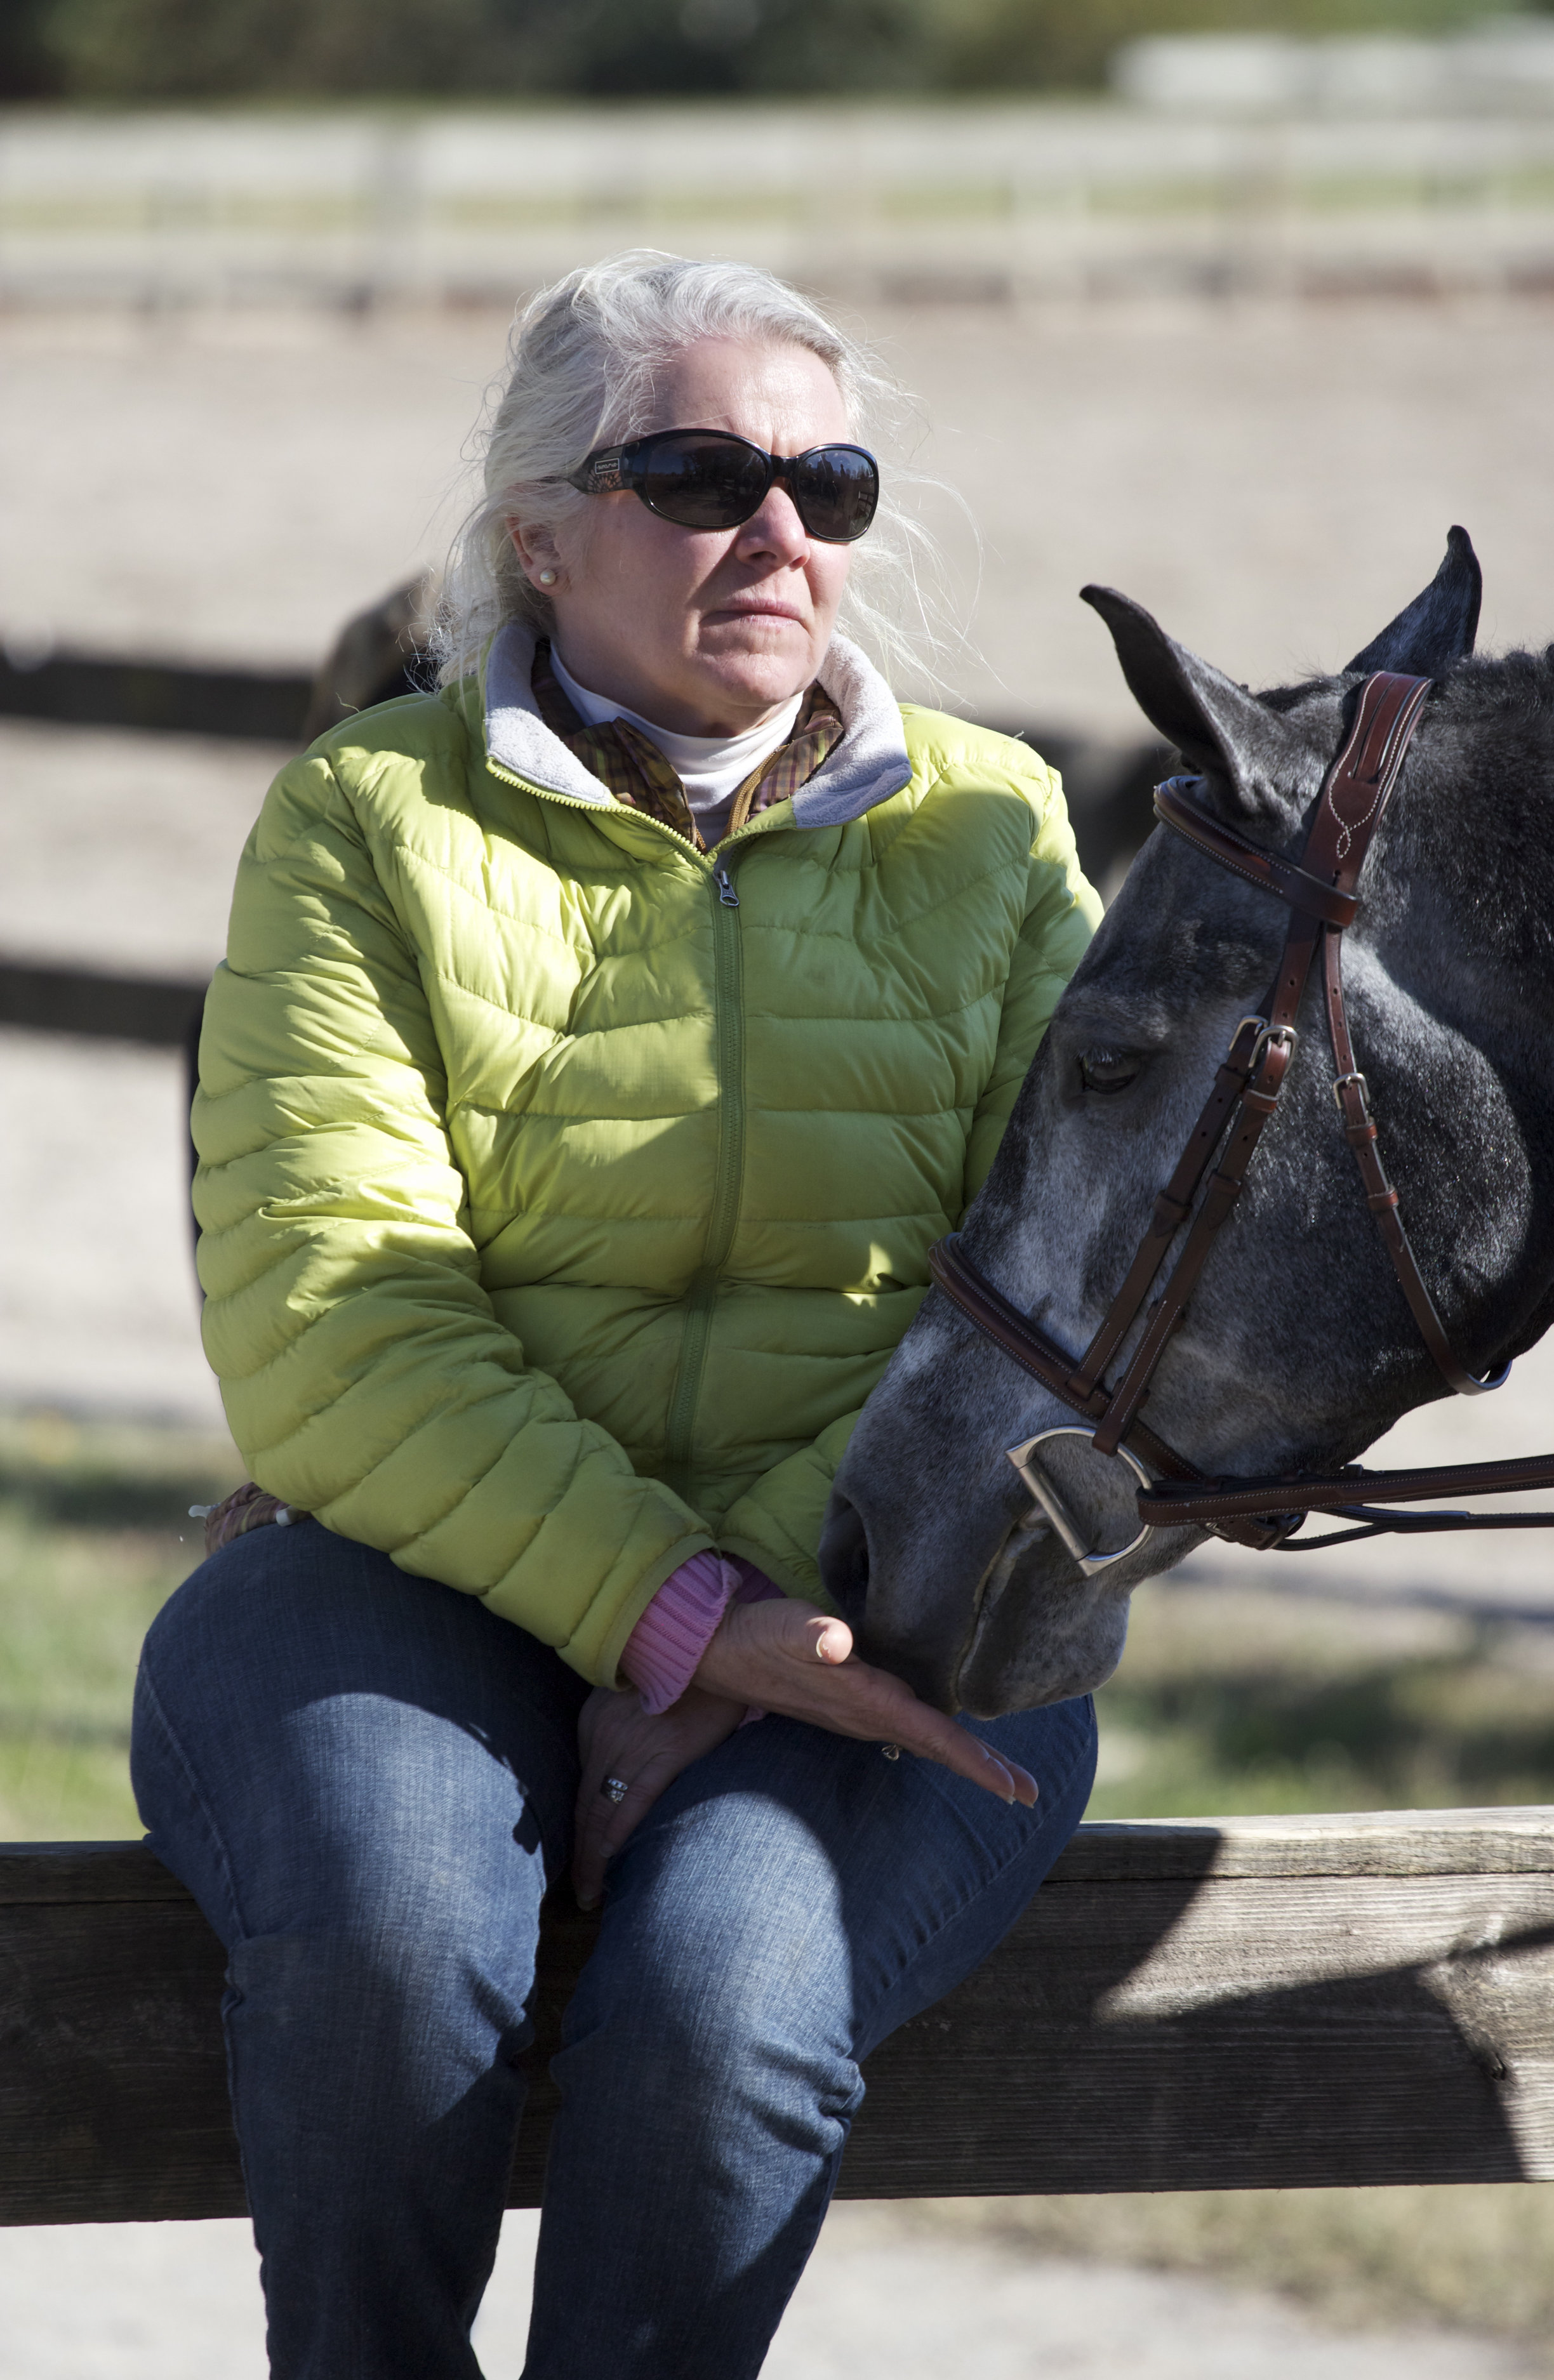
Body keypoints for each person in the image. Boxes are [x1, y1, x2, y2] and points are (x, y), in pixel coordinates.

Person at [133, 251, 1103, 2380]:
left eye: (824, 482)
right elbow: (333, 1313)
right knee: (390, 1938)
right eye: (695, 473)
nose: (776, 533)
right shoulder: (366, 822)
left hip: (900, 1601)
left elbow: (1057, 1321)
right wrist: (664, 1620)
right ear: (538, 538)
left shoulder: (999, 831)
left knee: (727, 2005)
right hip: (402, 1563)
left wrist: (744, 1625)